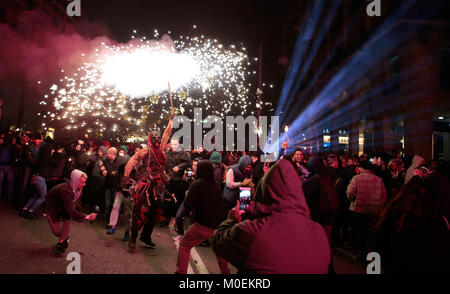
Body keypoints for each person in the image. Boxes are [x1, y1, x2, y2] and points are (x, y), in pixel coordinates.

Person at [211, 159, 330, 273]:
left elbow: (218, 241)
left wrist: (232, 219)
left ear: (265, 191)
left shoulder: (254, 232)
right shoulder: (319, 233)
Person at [123, 109, 176, 250]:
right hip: (145, 184)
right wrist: (126, 177)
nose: (158, 142)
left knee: (154, 211)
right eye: (155, 140)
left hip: (158, 184)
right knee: (139, 210)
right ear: (150, 139)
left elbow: (167, 133)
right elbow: (132, 161)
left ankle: (146, 236)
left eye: (159, 140)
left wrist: (171, 120)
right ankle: (133, 236)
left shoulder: (161, 148)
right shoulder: (146, 151)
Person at [175, 160, 231, 274]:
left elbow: (188, 204)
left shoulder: (197, 184)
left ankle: (180, 272)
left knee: (184, 245)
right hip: (219, 226)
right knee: (219, 251)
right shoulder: (214, 184)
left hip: (203, 224)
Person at [45, 169, 97, 254]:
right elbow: (71, 210)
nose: (84, 184)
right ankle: (64, 238)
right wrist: (87, 217)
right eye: (82, 182)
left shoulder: (78, 189)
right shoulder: (65, 190)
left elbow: (73, 206)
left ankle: (62, 242)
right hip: (52, 207)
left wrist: (77, 211)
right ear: (76, 181)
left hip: (64, 208)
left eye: (85, 182)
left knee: (68, 216)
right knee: (56, 231)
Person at [346, 160, 387, 261]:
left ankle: (362, 253)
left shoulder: (357, 178)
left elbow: (349, 193)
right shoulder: (378, 180)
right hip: (375, 211)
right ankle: (372, 253)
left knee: (360, 232)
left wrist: (353, 199)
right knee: (371, 232)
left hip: (359, 209)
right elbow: (384, 196)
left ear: (361, 168)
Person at [161, 137, 191, 227]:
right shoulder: (167, 153)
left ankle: (175, 219)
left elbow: (188, 163)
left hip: (178, 181)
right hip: (168, 180)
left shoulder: (182, 153)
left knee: (177, 201)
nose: (173, 146)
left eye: (175, 145)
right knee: (166, 200)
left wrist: (179, 167)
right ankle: (166, 218)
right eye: (172, 145)